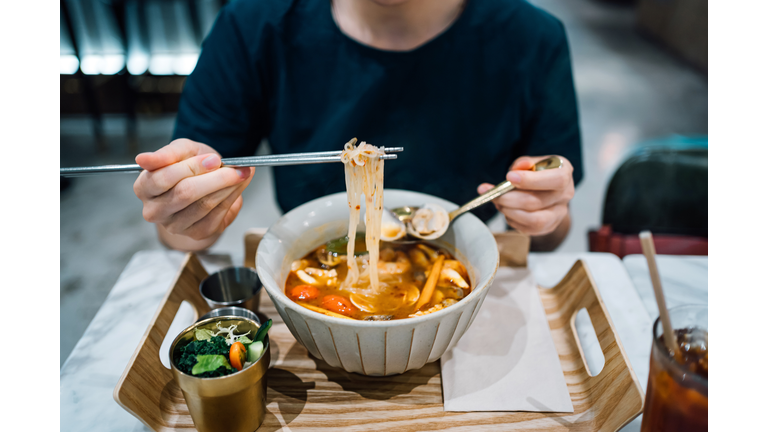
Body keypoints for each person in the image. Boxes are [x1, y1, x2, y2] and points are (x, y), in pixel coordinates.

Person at [133, 0, 583, 252]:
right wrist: (185, 212)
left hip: (466, 266)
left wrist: (541, 214)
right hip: (314, 262)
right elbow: (179, 235)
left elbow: (552, 233)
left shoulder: (532, 38)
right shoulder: (254, 25)